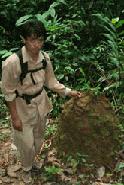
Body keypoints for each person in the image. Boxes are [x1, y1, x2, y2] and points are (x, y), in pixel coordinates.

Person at [1, 19, 81, 183]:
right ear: (23, 39)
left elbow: (51, 82)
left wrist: (68, 92)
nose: (37, 45)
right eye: (32, 40)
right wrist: (14, 117)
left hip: (41, 103)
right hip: (22, 108)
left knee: (38, 140)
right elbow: (8, 92)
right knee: (26, 143)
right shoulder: (12, 63)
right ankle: (26, 168)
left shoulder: (45, 58)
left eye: (40, 40)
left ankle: (30, 161)